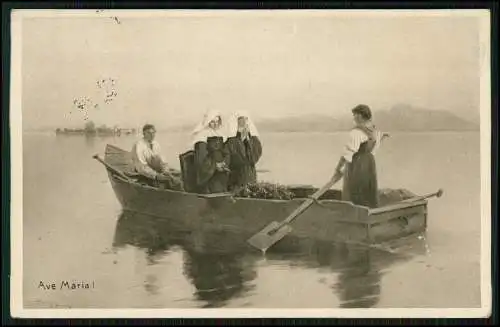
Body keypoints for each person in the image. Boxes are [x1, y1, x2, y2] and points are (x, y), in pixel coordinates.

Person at [333, 104, 389, 208]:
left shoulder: (356, 132)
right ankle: (369, 212)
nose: (353, 118)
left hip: (357, 165)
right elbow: (373, 150)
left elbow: (348, 153)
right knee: (367, 190)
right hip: (369, 164)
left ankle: (354, 213)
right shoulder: (374, 130)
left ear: (360, 116)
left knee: (353, 191)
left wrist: (338, 168)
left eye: (354, 115)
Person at [131, 124, 182, 190]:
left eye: (153, 133)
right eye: (149, 133)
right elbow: (141, 167)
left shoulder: (156, 144)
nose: (152, 135)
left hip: (156, 172)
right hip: (143, 174)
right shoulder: (139, 145)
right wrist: (156, 176)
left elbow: (163, 161)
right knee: (164, 184)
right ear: (144, 133)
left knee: (177, 179)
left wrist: (165, 170)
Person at [190, 110, 231, 193]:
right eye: (212, 122)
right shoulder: (201, 136)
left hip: (222, 170)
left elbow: (227, 152)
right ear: (208, 122)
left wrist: (225, 163)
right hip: (209, 174)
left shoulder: (221, 134)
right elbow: (201, 159)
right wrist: (215, 166)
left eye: (217, 121)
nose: (215, 124)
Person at [225, 111, 263, 192]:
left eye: (246, 119)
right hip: (236, 177)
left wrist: (248, 141)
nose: (244, 122)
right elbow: (233, 158)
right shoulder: (230, 141)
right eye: (241, 120)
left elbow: (255, 157)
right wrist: (240, 140)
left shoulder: (253, 139)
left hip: (250, 175)